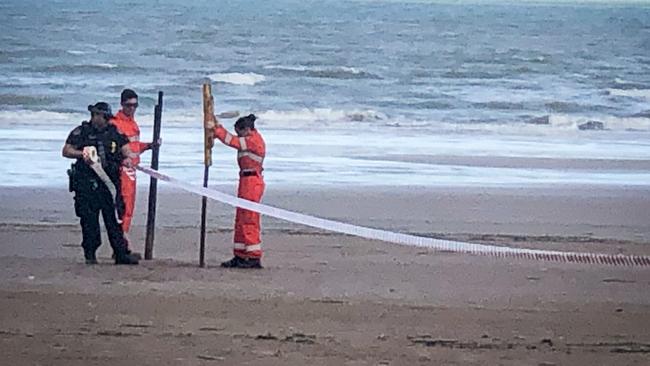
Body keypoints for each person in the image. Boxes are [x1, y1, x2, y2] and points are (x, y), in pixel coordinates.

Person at [62, 102, 140, 265]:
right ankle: (90, 254)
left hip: (109, 184)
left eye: (104, 116)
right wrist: (81, 154)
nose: (101, 119)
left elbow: (126, 148)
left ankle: (120, 253)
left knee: (115, 219)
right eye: (98, 115)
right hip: (87, 184)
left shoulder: (113, 131)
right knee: (89, 221)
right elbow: (66, 150)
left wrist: (126, 158)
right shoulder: (82, 131)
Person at [208, 114, 266, 269]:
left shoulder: (253, 141)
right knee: (241, 219)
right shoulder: (248, 139)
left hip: (252, 182)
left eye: (239, 132)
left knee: (249, 218)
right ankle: (240, 254)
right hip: (245, 180)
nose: (238, 135)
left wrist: (217, 128)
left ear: (247, 129)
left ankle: (253, 256)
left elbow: (231, 141)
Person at [110, 89, 159, 253]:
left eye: (135, 105)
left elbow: (134, 147)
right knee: (123, 207)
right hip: (122, 170)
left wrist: (149, 146)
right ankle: (121, 245)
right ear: (122, 104)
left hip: (132, 170)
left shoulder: (132, 123)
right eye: (129, 105)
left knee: (129, 208)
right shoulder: (116, 124)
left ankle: (123, 241)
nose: (132, 108)